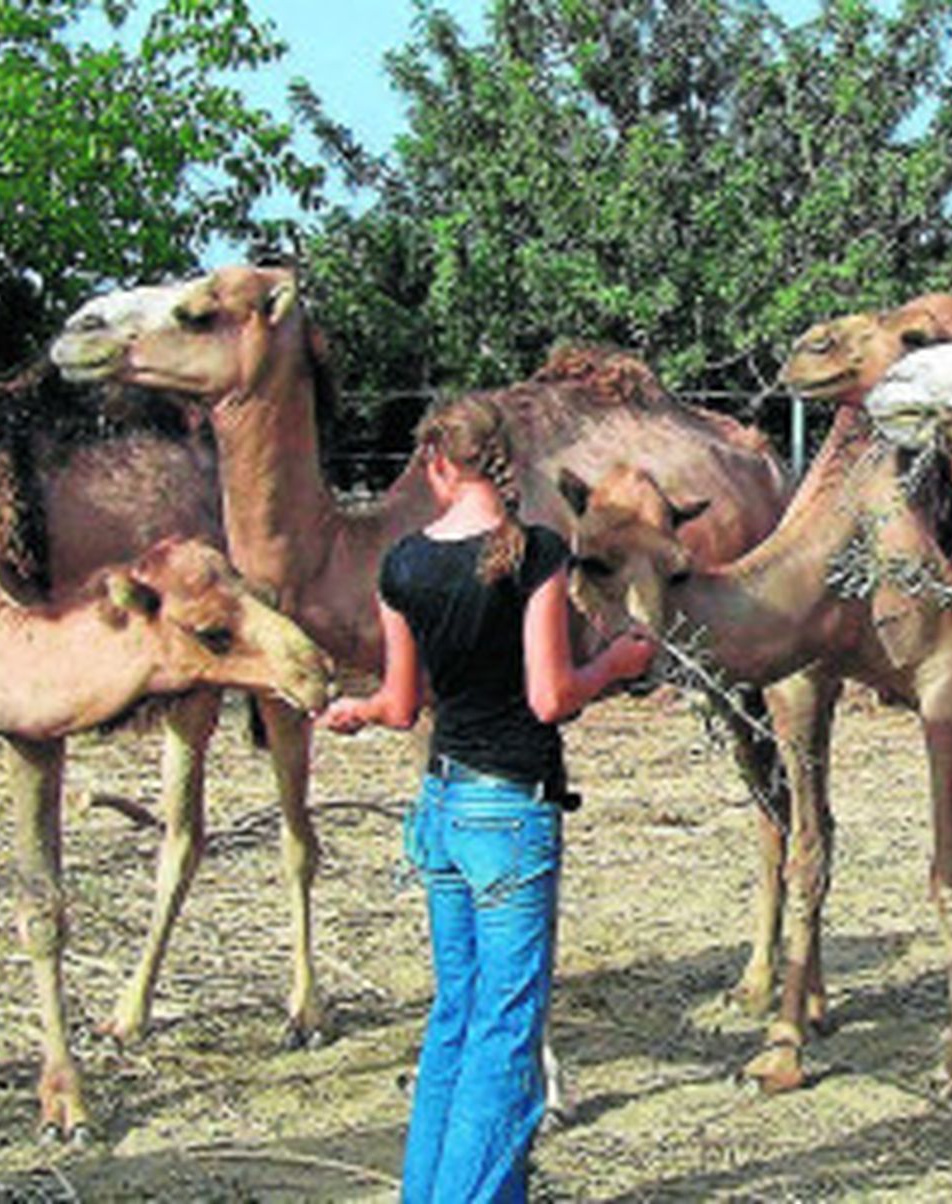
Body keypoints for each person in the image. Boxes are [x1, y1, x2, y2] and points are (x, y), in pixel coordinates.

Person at [318, 396, 654, 1203]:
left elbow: (402, 707)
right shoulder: (533, 553)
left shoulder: (400, 564)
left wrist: (355, 711)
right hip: (510, 813)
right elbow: (550, 697)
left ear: (437, 464)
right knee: (506, 1035)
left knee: (455, 1021)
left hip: (440, 811)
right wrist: (616, 662)